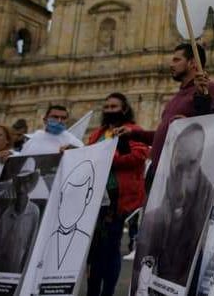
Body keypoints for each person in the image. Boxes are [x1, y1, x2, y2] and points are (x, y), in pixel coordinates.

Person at [115, 43, 214, 190]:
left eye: (176, 60)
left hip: (182, 177)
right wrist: (134, 133)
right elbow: (165, 135)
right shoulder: (176, 98)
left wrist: (189, 125)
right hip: (158, 173)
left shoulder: (211, 89)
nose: (171, 64)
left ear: (192, 63)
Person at [133, 123, 214, 287]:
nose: (184, 174)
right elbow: (141, 268)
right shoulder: (155, 212)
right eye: (180, 164)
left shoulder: (207, 197)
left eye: (191, 162)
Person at [87, 93, 149, 296]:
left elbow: (139, 156)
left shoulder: (133, 131)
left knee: (111, 248)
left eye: (114, 106)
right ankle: (93, 290)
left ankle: (108, 292)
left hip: (119, 199)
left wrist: (106, 157)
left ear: (124, 109)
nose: (110, 110)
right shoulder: (97, 134)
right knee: (94, 251)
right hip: (96, 198)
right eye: (107, 106)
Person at [0, 158, 41, 273]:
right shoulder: (6, 213)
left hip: (19, 269)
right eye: (20, 181)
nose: (22, 187)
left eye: (26, 181)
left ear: (30, 183)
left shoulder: (34, 211)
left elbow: (31, 244)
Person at [41, 161, 95, 272]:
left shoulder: (85, 239)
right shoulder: (48, 239)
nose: (69, 207)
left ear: (88, 197)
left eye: (76, 199)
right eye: (67, 198)